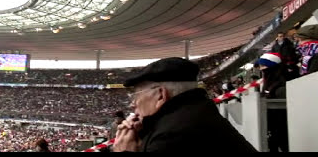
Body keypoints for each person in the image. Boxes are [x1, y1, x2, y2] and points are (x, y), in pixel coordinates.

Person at [112, 57, 257, 152]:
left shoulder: (174, 133)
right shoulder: (194, 113)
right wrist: (142, 134)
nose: (132, 104)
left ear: (160, 95)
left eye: (136, 95)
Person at [255, 53, 288, 152]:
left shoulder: (282, 84)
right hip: (271, 125)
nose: (261, 69)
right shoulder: (268, 82)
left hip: (281, 126)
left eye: (263, 66)